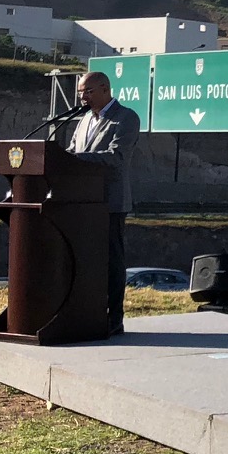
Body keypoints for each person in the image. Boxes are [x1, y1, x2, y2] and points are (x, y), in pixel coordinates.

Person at [67, 70, 141, 333]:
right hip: (82, 202)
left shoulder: (126, 118)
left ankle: (113, 318)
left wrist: (77, 159)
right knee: (84, 260)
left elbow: (117, 157)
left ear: (105, 89)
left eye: (87, 92)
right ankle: (87, 311)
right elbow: (72, 151)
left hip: (110, 202)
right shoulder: (84, 119)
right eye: (80, 93)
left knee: (112, 261)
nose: (82, 97)